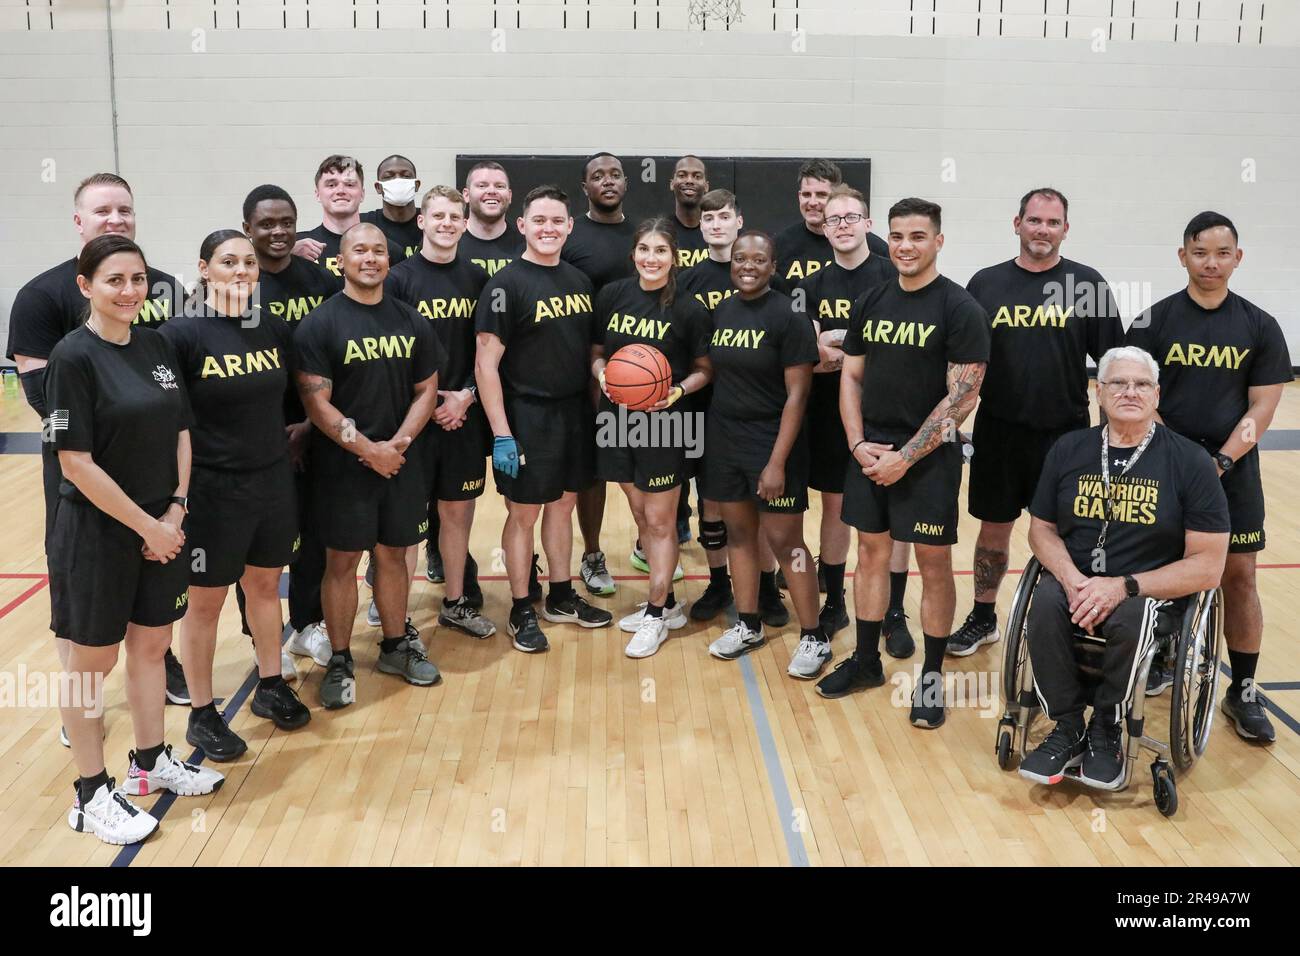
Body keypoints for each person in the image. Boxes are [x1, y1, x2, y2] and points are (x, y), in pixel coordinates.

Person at [45, 234, 223, 845]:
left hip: (164, 526)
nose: (129, 291)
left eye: (138, 279)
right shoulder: (72, 356)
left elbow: (180, 432)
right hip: (99, 531)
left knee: (151, 649)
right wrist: (147, 527)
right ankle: (91, 792)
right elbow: (76, 462)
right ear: (86, 285)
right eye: (115, 280)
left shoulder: (155, 344)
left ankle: (149, 762)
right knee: (87, 667)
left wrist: (174, 509)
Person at [6, 172, 189, 729]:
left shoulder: (165, 289)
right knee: (80, 609)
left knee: (150, 606)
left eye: (125, 210)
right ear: (78, 220)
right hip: (84, 474)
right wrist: (104, 433)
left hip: (156, 471)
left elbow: (176, 372)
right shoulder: (42, 296)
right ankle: (80, 713)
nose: (115, 219)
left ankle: (158, 669)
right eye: (103, 210)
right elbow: (42, 394)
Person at [1020, 346, 1229, 788]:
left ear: (1156, 395)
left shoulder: (1190, 461)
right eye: (1117, 383)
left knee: (1135, 613)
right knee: (1043, 602)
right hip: (1076, 579)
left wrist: (1124, 586)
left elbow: (1209, 566)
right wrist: (1074, 579)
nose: (1129, 392)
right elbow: (1040, 529)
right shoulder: (1069, 448)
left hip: (1148, 587)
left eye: (1141, 384)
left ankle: (1107, 727)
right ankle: (1068, 724)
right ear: (1099, 392)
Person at [817, 198, 988, 728]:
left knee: (933, 564)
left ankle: (931, 677)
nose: (905, 246)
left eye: (917, 236)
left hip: (930, 456)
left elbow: (963, 398)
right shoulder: (871, 299)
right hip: (871, 451)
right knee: (870, 556)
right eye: (896, 236)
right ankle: (867, 661)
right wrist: (856, 443)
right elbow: (850, 375)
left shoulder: (960, 309)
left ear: (938, 241)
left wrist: (906, 457)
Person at [1126, 212, 1292, 742]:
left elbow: (1262, 408)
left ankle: (1241, 690)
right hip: (1163, 469)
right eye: (1200, 253)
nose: (1211, 263)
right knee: (1153, 570)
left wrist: (1220, 460)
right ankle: (1154, 655)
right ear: (1183, 257)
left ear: (1237, 258)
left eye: (1223, 253)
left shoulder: (1260, 326)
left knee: (1239, 578)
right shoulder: (1153, 323)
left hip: (1232, 472)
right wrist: (1177, 458)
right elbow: (1135, 398)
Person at [951, 188, 1123, 658]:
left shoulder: (1086, 285)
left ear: (1065, 229)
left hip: (1066, 437)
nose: (1042, 230)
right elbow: (962, 361)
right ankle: (983, 616)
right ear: (1017, 223)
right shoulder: (985, 284)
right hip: (999, 432)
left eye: (1052, 222)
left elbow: (1114, 367)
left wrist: (1118, 438)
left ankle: (1072, 619)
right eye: (1034, 221)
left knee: (1070, 536)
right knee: (993, 531)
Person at [160, 230, 311, 761]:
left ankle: (270, 684)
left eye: (249, 262)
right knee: (205, 602)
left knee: (266, 587)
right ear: (204, 270)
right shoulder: (179, 334)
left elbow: (293, 399)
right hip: (211, 489)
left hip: (270, 480)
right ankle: (202, 715)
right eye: (229, 262)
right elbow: (169, 424)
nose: (242, 271)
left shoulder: (270, 327)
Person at [294, 223, 443, 708]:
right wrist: (369, 450)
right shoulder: (320, 324)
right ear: (341, 260)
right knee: (341, 563)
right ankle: (339, 658)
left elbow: (427, 389)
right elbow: (318, 405)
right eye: (360, 250)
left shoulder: (411, 319)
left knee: (394, 556)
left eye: (379, 251)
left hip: (400, 461)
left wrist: (397, 444)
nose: (371, 258)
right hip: (343, 468)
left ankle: (395, 646)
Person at [474, 185, 615, 653]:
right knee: (524, 513)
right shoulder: (504, 285)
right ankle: (520, 607)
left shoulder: (579, 282)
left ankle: (559, 594)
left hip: (573, 410)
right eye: (539, 221)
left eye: (558, 221)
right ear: (522, 226)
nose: (549, 229)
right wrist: (501, 434)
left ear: (570, 227)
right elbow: (485, 365)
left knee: (563, 506)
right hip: (526, 415)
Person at [702, 232, 828, 679]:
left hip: (774, 442)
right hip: (724, 439)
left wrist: (776, 462)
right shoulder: (723, 310)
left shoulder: (790, 315)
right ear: (730, 263)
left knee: (785, 541)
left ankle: (813, 634)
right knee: (739, 534)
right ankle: (748, 623)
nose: (747, 265)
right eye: (740, 258)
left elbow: (799, 395)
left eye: (758, 259)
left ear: (774, 266)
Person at [796, 185, 911, 656]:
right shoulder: (811, 286)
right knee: (835, 507)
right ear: (823, 229)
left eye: (850, 217)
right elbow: (810, 354)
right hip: (826, 412)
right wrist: (853, 356)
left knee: (895, 514)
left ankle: (895, 610)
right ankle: (836, 601)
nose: (842, 225)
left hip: (888, 414)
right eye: (833, 219)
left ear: (867, 224)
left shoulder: (893, 276)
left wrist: (842, 349)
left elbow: (901, 353)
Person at [591, 219, 712, 657]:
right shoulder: (612, 296)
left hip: (667, 424)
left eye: (660, 250)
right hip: (617, 421)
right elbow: (597, 354)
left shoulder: (689, 308)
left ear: (674, 257)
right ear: (634, 254)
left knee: (661, 523)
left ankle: (657, 614)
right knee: (642, 518)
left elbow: (705, 369)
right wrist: (602, 376)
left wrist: (676, 391)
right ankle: (669, 605)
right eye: (644, 249)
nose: (651, 258)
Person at [678, 190, 791, 629]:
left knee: (756, 507)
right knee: (712, 502)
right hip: (702, 406)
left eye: (724, 216)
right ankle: (718, 581)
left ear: (738, 221)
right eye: (709, 217)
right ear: (701, 225)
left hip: (754, 409)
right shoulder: (688, 279)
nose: (716, 224)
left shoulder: (767, 281)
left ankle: (764, 585)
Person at [387, 185, 494, 638]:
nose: (447, 224)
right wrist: (427, 403)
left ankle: (455, 601)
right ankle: (399, 615)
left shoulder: (478, 280)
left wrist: (466, 395)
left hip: (462, 417)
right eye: (439, 216)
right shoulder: (398, 280)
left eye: (455, 217)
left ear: (465, 224)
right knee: (408, 525)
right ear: (422, 222)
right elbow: (388, 355)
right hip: (412, 419)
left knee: (456, 515)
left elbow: (487, 353)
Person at [243, 184, 340, 671]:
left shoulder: (320, 282)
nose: (278, 232)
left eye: (287, 222)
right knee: (260, 543)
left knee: (313, 534)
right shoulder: (237, 287)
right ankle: (259, 639)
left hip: (313, 427)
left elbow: (336, 359)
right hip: (255, 439)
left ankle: (307, 625)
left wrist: (309, 424)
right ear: (248, 230)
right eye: (267, 224)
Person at [562, 153, 639, 597]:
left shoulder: (643, 234)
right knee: (591, 472)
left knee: (644, 464)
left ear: (625, 183)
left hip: (643, 372)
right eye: (597, 176)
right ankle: (592, 554)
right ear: (585, 186)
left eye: (613, 175)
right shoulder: (572, 236)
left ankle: (651, 542)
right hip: (586, 369)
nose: (606, 182)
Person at [773, 159, 888, 287]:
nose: (812, 202)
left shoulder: (873, 247)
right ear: (799, 196)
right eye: (806, 194)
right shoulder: (779, 245)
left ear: (835, 196)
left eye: (821, 195)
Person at [294, 155, 402, 280]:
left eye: (349, 185)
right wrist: (287, 257)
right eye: (331, 185)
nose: (340, 190)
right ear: (317, 194)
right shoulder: (298, 247)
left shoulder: (388, 249)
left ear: (362, 194)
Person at [459, 160, 524, 278]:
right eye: (482, 185)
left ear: (509, 196)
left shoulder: (526, 245)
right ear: (466, 195)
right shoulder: (450, 243)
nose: (492, 191)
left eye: (499, 186)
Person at [360, 154, 424, 258]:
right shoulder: (363, 224)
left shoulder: (431, 222)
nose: (398, 180)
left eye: (406, 176)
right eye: (388, 177)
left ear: (416, 185)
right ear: (378, 187)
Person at [669, 155, 711, 268]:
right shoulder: (661, 230)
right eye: (682, 175)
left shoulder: (717, 231)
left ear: (706, 186)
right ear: (672, 183)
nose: (689, 181)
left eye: (697, 176)